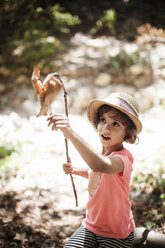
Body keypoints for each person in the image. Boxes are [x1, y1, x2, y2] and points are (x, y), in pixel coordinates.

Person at [47, 92, 143, 248]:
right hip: (91, 227)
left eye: (116, 124)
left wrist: (70, 133)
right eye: (103, 120)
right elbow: (96, 172)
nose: (106, 128)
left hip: (117, 233)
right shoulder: (98, 156)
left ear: (128, 133)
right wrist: (75, 170)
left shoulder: (123, 159)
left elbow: (102, 166)